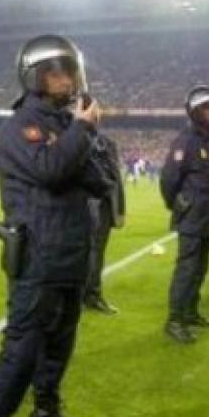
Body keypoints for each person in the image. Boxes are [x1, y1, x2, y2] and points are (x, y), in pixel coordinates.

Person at [0, 35, 108, 417]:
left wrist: (80, 134)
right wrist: (82, 132)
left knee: (60, 343)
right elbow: (52, 171)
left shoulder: (67, 124)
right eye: (54, 72)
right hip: (37, 255)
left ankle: (46, 412)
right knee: (23, 348)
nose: (64, 80)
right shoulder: (21, 126)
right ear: (33, 77)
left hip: (72, 253)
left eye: (68, 71)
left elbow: (101, 182)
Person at [159, 85, 209, 344]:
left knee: (201, 266)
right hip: (193, 215)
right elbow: (168, 180)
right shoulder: (186, 139)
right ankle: (174, 320)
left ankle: (190, 311)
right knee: (187, 268)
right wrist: (179, 205)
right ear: (196, 111)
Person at [83, 133, 125, 314]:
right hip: (93, 202)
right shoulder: (81, 139)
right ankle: (90, 295)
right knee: (92, 252)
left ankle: (90, 294)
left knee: (96, 252)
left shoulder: (106, 141)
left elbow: (115, 178)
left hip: (104, 203)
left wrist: (119, 206)